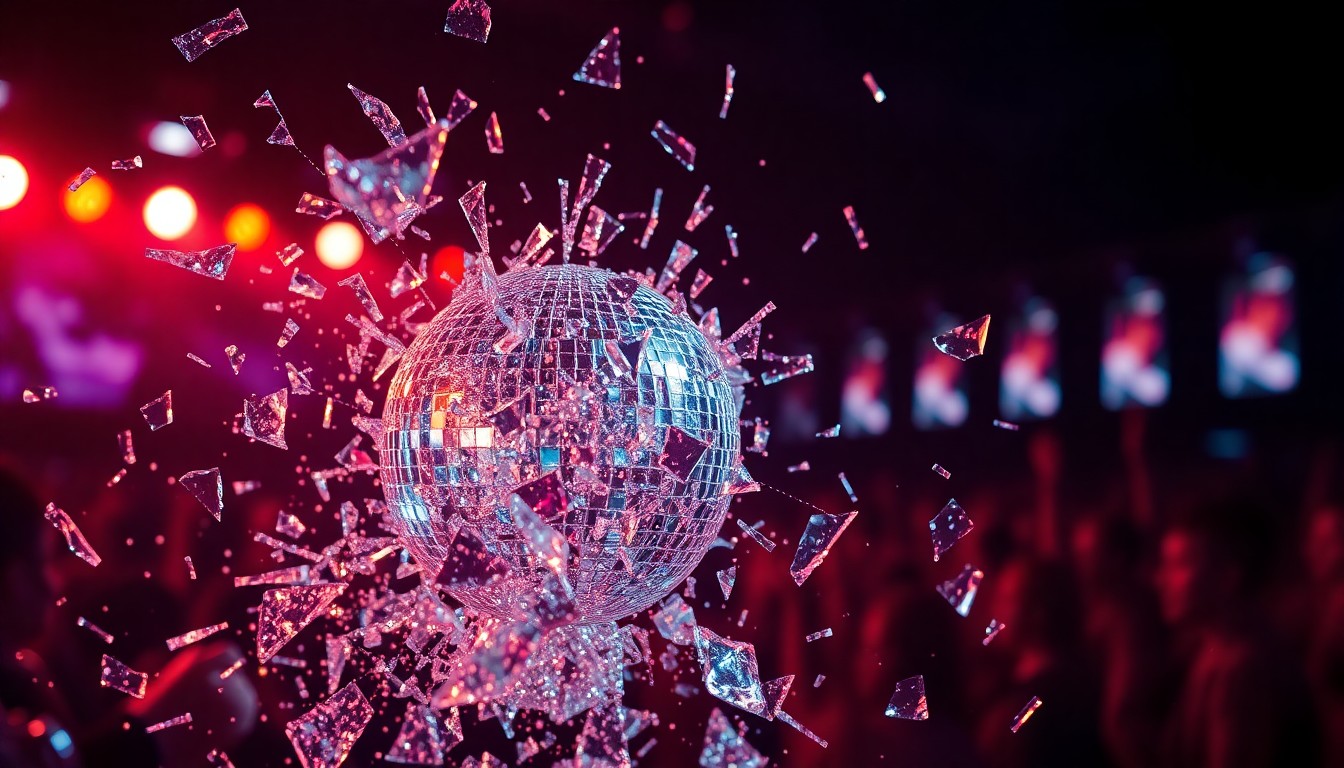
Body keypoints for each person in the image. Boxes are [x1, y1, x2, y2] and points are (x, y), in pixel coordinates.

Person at [1155, 496, 1320, 767]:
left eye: (1179, 564)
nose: (1160, 579)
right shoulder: (1216, 647)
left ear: (1228, 577)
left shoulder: (1243, 668)